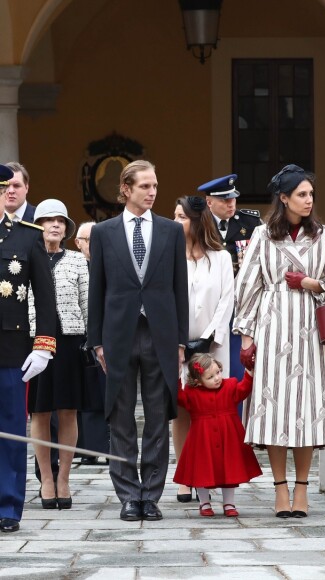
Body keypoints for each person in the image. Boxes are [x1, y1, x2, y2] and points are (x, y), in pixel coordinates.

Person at [234, 164, 325, 519]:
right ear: (283, 199)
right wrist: (247, 338)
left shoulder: (323, 235)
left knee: (307, 411)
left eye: (311, 194)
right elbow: (247, 287)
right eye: (301, 194)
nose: (309, 200)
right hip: (273, 327)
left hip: (312, 331)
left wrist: (311, 284)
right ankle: (279, 489)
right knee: (275, 410)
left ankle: (302, 489)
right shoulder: (262, 236)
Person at [87, 160, 189, 522]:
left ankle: (152, 495)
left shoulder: (171, 231)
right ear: (126, 189)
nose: (152, 192)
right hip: (118, 335)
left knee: (159, 417)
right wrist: (96, 340)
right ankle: (129, 495)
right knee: (121, 418)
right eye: (145, 186)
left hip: (160, 334)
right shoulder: (103, 232)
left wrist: (180, 342)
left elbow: (180, 290)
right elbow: (96, 289)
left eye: (155, 186)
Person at [0, 164, 56, 533]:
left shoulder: (27, 236)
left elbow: (45, 297)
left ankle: (8, 506)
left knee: (9, 428)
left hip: (10, 346)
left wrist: (43, 346)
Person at [172, 195, 234, 503]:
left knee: (211, 412)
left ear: (197, 221)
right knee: (182, 410)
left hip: (213, 348)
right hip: (178, 346)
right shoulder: (170, 257)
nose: (175, 222)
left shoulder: (220, 257)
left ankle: (215, 477)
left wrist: (207, 339)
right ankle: (186, 478)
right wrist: (179, 341)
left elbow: (226, 300)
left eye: (181, 217)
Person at [27, 199, 87, 510]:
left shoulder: (77, 261)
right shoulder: (24, 257)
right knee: (39, 411)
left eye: (60, 221)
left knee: (67, 411)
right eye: (48, 220)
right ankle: (46, 479)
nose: (54, 225)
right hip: (33, 341)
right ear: (36, 226)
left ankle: (64, 477)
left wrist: (92, 342)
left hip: (69, 342)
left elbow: (87, 304)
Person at [173, 353, 262, 517]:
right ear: (198, 381)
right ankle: (204, 503)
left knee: (229, 470)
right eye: (210, 377)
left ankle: (229, 503)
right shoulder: (192, 394)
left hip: (229, 437)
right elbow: (178, 397)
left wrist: (249, 372)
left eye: (218, 373)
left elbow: (244, 389)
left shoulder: (230, 386)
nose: (217, 378)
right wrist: (177, 377)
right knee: (201, 470)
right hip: (202, 439)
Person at [202, 174, 261, 380]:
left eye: (233, 198)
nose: (230, 204)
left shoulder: (250, 222)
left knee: (238, 364)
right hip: (211, 303)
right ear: (209, 202)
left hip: (241, 301)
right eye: (224, 200)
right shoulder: (199, 224)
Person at [74, 221, 110, 466]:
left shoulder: (110, 264)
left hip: (108, 339)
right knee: (84, 397)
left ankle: (107, 447)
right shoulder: (74, 265)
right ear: (78, 243)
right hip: (80, 340)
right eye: (89, 240)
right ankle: (86, 449)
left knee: (107, 395)